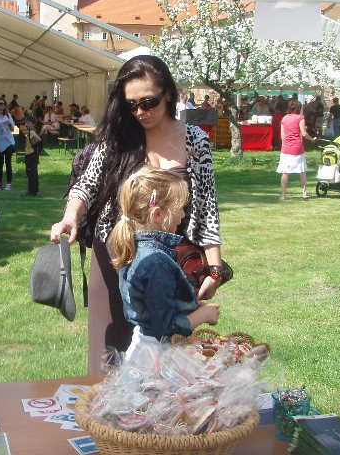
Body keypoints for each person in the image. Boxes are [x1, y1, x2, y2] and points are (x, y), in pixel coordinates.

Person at [50, 54, 225, 375]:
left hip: (168, 258)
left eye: (148, 102)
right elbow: (87, 185)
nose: (140, 113)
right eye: (131, 105)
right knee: (110, 351)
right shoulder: (117, 136)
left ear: (168, 94)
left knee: (164, 348)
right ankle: (104, 420)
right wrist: (70, 215)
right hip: (115, 253)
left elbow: (206, 208)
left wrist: (214, 268)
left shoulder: (195, 140)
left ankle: (155, 421)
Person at [111, 167, 220, 360]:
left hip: (145, 348)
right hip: (159, 356)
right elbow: (166, 329)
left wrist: (187, 307)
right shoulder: (156, 262)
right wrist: (204, 315)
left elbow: (155, 306)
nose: (183, 215)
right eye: (180, 208)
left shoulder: (138, 249)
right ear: (158, 214)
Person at [277, 99, 316, 200]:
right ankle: (304, 193)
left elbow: (282, 135)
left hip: (286, 148)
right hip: (297, 147)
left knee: (285, 172)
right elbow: (304, 133)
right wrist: (312, 139)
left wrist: (286, 143)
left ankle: (283, 195)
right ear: (299, 108)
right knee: (302, 171)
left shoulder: (284, 118)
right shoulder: (300, 118)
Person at [0, 97, 16, 191]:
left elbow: (13, 129)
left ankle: (8, 184)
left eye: (3, 104)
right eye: (0, 104)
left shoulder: (8, 116)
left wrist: (9, 124)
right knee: (0, 163)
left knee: (8, 162)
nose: (2, 106)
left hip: (9, 142)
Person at [22, 115, 42, 197]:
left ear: (33, 124)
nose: (26, 124)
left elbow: (38, 139)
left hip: (31, 154)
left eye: (28, 123)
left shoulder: (32, 132)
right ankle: (33, 190)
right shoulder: (32, 131)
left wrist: (33, 144)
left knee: (31, 173)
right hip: (31, 154)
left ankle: (31, 191)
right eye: (25, 122)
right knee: (32, 172)